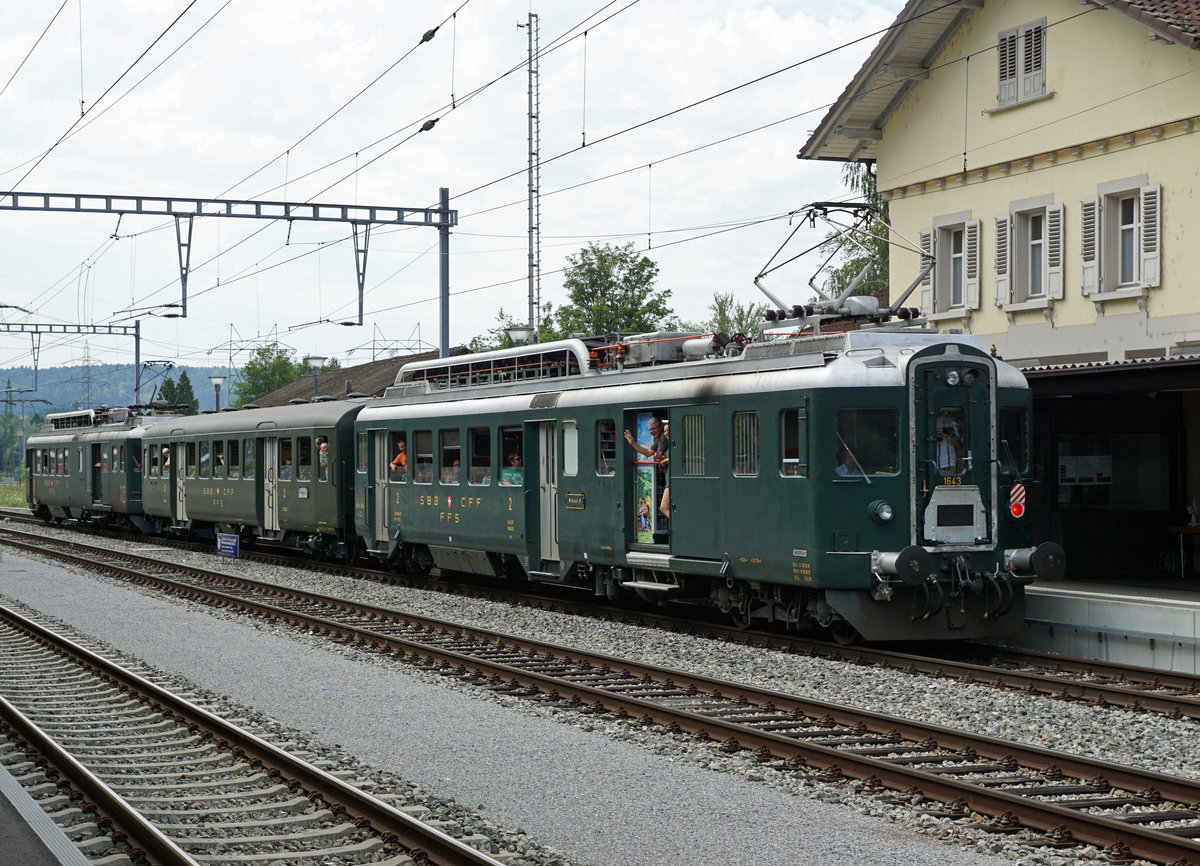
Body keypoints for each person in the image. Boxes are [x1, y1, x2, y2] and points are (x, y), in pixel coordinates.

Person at [625, 417, 669, 518]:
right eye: (650, 429)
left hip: (669, 481)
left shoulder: (663, 438)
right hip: (667, 479)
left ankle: (679, 527)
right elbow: (648, 453)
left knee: (663, 507)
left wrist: (661, 461)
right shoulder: (659, 439)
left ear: (661, 427)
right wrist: (633, 443)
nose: (651, 432)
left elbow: (659, 457)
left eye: (654, 429)